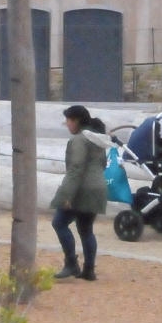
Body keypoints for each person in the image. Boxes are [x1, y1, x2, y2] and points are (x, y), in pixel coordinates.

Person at [49, 105, 109, 281]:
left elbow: (75, 169)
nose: (67, 124)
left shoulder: (78, 141)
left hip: (82, 189)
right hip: (98, 188)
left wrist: (66, 196)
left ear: (76, 121)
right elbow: (102, 165)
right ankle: (89, 270)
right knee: (86, 230)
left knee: (59, 223)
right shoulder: (97, 138)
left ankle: (71, 264)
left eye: (68, 120)